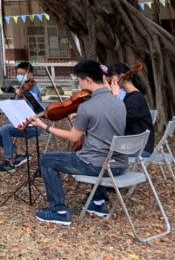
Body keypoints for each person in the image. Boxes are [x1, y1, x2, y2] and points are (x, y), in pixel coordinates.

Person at [28, 60, 126, 225]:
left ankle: (58, 211)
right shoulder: (119, 102)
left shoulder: (87, 107)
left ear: (87, 80)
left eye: (79, 80)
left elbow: (73, 137)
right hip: (120, 166)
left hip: (98, 166)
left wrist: (45, 126)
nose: (78, 84)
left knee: (47, 160)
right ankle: (97, 203)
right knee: (100, 152)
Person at [0, 61, 42, 173]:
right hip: (20, 123)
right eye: (18, 74)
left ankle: (9, 162)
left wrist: (23, 95)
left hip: (33, 126)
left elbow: (36, 108)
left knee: (6, 129)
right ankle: (18, 154)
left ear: (30, 75)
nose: (19, 76)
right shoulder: (22, 88)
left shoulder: (34, 89)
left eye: (22, 74)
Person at [110, 62, 155, 154]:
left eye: (112, 77)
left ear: (121, 76)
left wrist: (115, 97)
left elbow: (120, 122)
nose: (110, 81)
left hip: (139, 149)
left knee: (99, 155)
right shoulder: (131, 96)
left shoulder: (136, 99)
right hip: (135, 146)